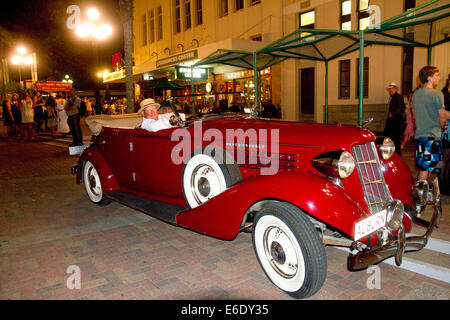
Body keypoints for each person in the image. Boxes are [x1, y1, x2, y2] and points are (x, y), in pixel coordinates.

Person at [412, 66, 447, 182]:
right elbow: (443, 118)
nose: (439, 78)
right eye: (437, 75)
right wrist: (441, 129)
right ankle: (421, 196)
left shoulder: (416, 95)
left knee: (425, 167)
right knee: (427, 169)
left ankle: (423, 194)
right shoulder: (437, 94)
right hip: (432, 136)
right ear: (429, 77)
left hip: (420, 136)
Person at [383, 82, 406, 155]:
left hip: (396, 121)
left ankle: (397, 154)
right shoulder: (393, 97)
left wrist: (393, 113)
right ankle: (393, 152)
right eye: (389, 89)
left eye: (391, 89)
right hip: (392, 121)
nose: (390, 90)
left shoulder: (398, 97)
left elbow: (401, 108)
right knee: (389, 137)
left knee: (395, 138)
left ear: (395, 89)